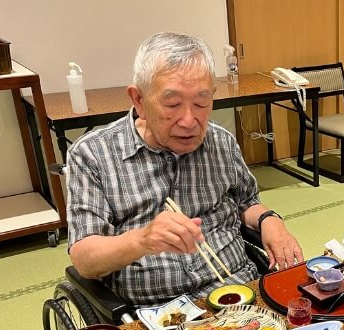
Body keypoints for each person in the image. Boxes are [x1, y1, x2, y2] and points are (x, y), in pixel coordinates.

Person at [67, 32, 303, 307]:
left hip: (238, 291)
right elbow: (84, 258)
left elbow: (247, 202)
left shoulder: (221, 142)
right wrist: (142, 240)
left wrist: (269, 220)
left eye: (202, 103)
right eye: (173, 104)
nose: (190, 121)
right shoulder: (93, 154)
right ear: (139, 100)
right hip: (157, 312)